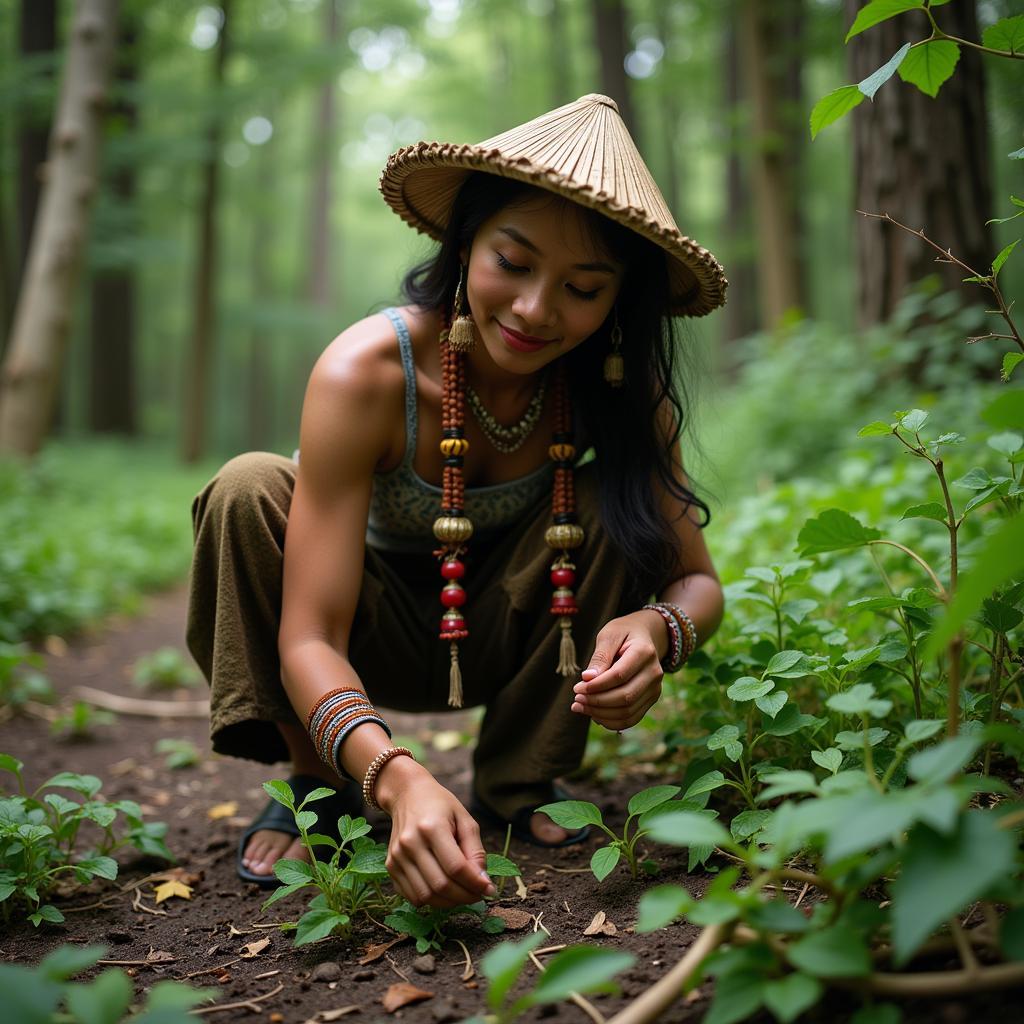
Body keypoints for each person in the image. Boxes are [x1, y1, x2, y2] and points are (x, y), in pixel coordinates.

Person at [186, 94, 727, 909]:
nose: (536, 309)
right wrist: (395, 778)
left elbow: (700, 584)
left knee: (616, 501)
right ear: (466, 241)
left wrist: (659, 628)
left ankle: (523, 778)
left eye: (583, 287)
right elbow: (308, 634)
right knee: (247, 486)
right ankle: (321, 781)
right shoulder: (366, 372)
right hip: (356, 641)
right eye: (513, 263)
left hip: (506, 631)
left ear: (621, 300)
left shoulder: (622, 394)